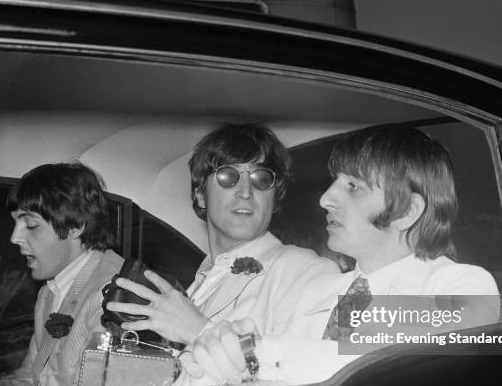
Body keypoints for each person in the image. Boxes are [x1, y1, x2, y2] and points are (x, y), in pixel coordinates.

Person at [177, 125, 500, 386]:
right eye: (334, 183)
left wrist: (254, 351)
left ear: (406, 212)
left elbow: (383, 362)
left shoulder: (463, 286)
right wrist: (209, 364)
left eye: (353, 186)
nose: (326, 198)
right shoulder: (317, 293)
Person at [106, 124, 338, 344]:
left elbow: (307, 371)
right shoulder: (199, 284)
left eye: (262, 179)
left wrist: (199, 331)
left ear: (274, 198)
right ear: (201, 196)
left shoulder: (305, 270)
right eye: (228, 177)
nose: (246, 192)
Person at [0, 162, 123, 386]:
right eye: (16, 223)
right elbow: (28, 376)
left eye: (31, 225)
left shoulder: (114, 297)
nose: (15, 237)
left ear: (74, 227)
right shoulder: (49, 292)